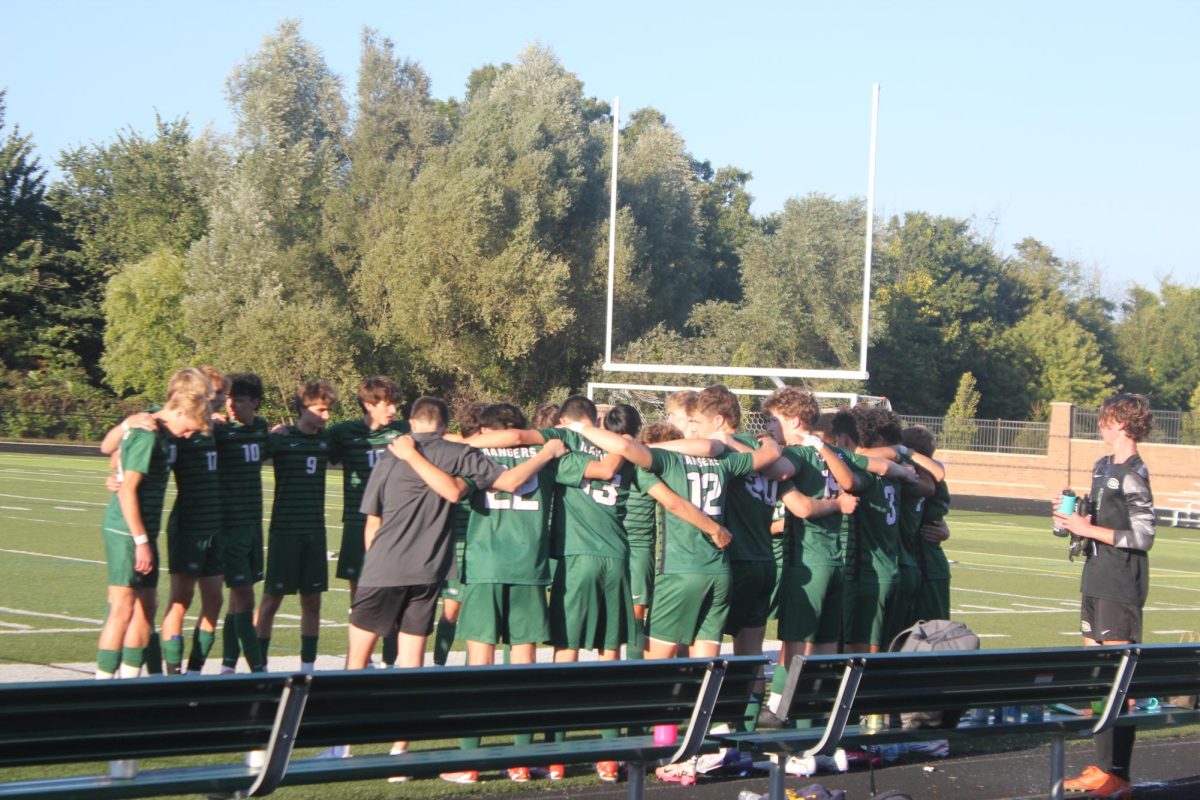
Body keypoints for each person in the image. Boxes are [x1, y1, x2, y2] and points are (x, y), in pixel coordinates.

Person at [349, 395, 564, 782]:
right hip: (529, 567)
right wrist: (546, 450)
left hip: (482, 565)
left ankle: (467, 761)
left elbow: (452, 489)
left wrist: (444, 444)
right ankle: (522, 759)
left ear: (486, 431)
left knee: (477, 664)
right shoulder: (545, 458)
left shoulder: (465, 456)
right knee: (523, 666)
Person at [1057, 394, 1155, 800]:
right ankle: (1101, 768)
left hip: (1120, 584)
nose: (1099, 426)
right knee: (1099, 678)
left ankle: (1119, 773)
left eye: (1104, 420)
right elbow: (1094, 521)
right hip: (1094, 579)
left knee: (1119, 681)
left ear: (1119, 422)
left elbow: (1144, 536)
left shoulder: (1134, 472)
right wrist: (1071, 522)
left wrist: (1089, 529)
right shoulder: (1101, 467)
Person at [95, 385, 211, 679]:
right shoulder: (147, 433)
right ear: (180, 411)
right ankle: (102, 685)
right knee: (122, 609)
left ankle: (131, 681)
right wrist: (141, 541)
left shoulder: (162, 431)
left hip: (143, 531)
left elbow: (117, 459)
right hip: (127, 531)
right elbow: (127, 490)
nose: (189, 435)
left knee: (147, 607)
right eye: (189, 428)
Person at [327, 376, 409, 668]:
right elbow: (314, 443)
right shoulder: (344, 432)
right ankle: (361, 658)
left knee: (396, 590)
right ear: (367, 404)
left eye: (395, 403)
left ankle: (391, 660)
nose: (392, 410)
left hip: (396, 523)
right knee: (360, 591)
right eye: (386, 403)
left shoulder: (403, 431)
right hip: (356, 521)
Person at [256, 379, 338, 672]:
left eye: (329, 410)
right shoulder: (280, 439)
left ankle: (307, 666)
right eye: (320, 409)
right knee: (271, 600)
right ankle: (259, 665)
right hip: (284, 530)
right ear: (303, 408)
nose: (326, 416)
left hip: (315, 531)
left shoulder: (327, 441)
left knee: (312, 601)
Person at [216, 373, 270, 673]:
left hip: (252, 526)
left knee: (238, 601)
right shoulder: (220, 430)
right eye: (228, 398)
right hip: (230, 526)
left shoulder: (261, 429)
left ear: (255, 402)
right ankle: (258, 668)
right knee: (244, 597)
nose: (231, 404)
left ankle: (227, 666)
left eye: (238, 398)